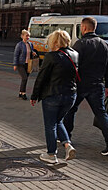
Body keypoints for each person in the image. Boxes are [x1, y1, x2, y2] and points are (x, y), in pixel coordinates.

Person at [63, 17, 108, 156]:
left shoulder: (79, 44)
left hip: (80, 85)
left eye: (81, 27)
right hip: (97, 85)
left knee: (70, 110)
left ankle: (66, 138)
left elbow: (72, 66)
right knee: (101, 113)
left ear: (84, 28)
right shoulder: (105, 45)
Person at [30, 29, 79, 164]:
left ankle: (51, 154)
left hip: (53, 95)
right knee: (59, 121)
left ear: (55, 42)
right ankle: (68, 146)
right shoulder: (75, 54)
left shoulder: (51, 56)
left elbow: (42, 77)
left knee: (50, 124)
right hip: (70, 96)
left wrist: (34, 95)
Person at [13, 30, 37, 100]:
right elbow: (16, 55)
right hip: (21, 64)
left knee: (25, 79)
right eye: (26, 36)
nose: (28, 37)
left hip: (28, 64)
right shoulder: (19, 45)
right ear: (22, 36)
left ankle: (20, 92)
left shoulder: (30, 44)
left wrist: (33, 53)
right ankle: (23, 93)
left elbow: (31, 51)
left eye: (29, 36)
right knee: (24, 78)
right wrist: (15, 65)